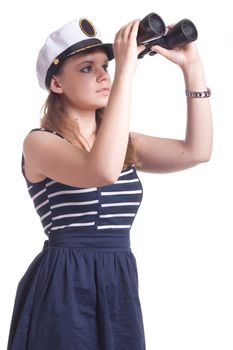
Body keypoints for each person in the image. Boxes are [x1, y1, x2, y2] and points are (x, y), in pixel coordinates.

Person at [7, 15, 212, 350]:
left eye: (106, 66)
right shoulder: (39, 143)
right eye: (87, 68)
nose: (104, 76)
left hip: (118, 282)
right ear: (56, 83)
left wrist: (193, 67)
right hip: (64, 285)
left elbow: (197, 151)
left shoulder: (123, 144)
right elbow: (101, 170)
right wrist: (126, 76)